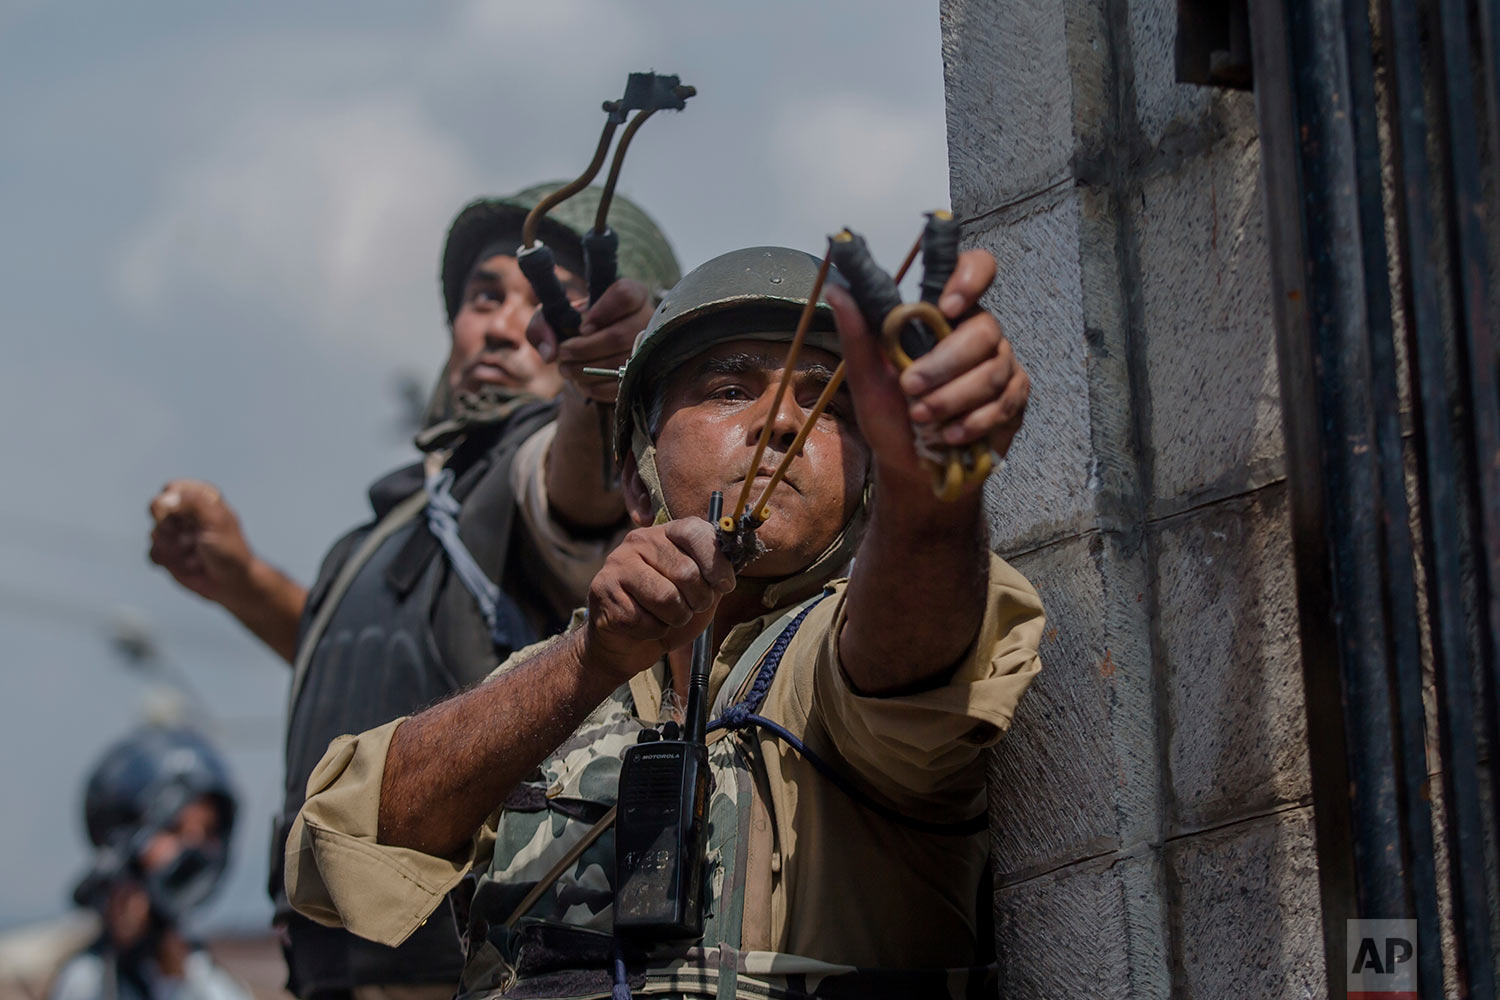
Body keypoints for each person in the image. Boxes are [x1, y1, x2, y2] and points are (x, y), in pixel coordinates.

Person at [282, 244, 1044, 999]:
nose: (781, 420)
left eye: (828, 404)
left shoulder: (844, 650)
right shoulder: (558, 679)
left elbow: (907, 645)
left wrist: (930, 484)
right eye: (728, 388)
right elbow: (338, 851)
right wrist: (589, 660)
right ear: (636, 480)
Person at [145, 184, 681, 1000]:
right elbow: (397, 664)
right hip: (328, 971)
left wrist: (600, 382)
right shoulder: (404, 514)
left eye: (548, 307)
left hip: (468, 971)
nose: (504, 324)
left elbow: (573, 496)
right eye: (484, 295)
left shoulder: (534, 469)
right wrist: (243, 582)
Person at [50, 726, 250, 1000]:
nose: (193, 849)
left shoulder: (207, 981)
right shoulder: (88, 981)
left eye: (207, 832)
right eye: (175, 829)